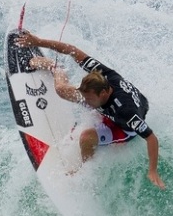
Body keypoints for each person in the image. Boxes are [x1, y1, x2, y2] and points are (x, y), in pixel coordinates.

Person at [15, 31, 165, 189]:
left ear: (104, 93)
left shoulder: (126, 113)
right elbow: (72, 50)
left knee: (86, 137)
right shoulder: (104, 74)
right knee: (62, 90)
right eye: (84, 97)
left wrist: (152, 170)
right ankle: (56, 68)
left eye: (89, 99)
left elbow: (151, 138)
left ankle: (83, 171)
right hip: (108, 105)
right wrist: (38, 41)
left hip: (122, 127)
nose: (84, 102)